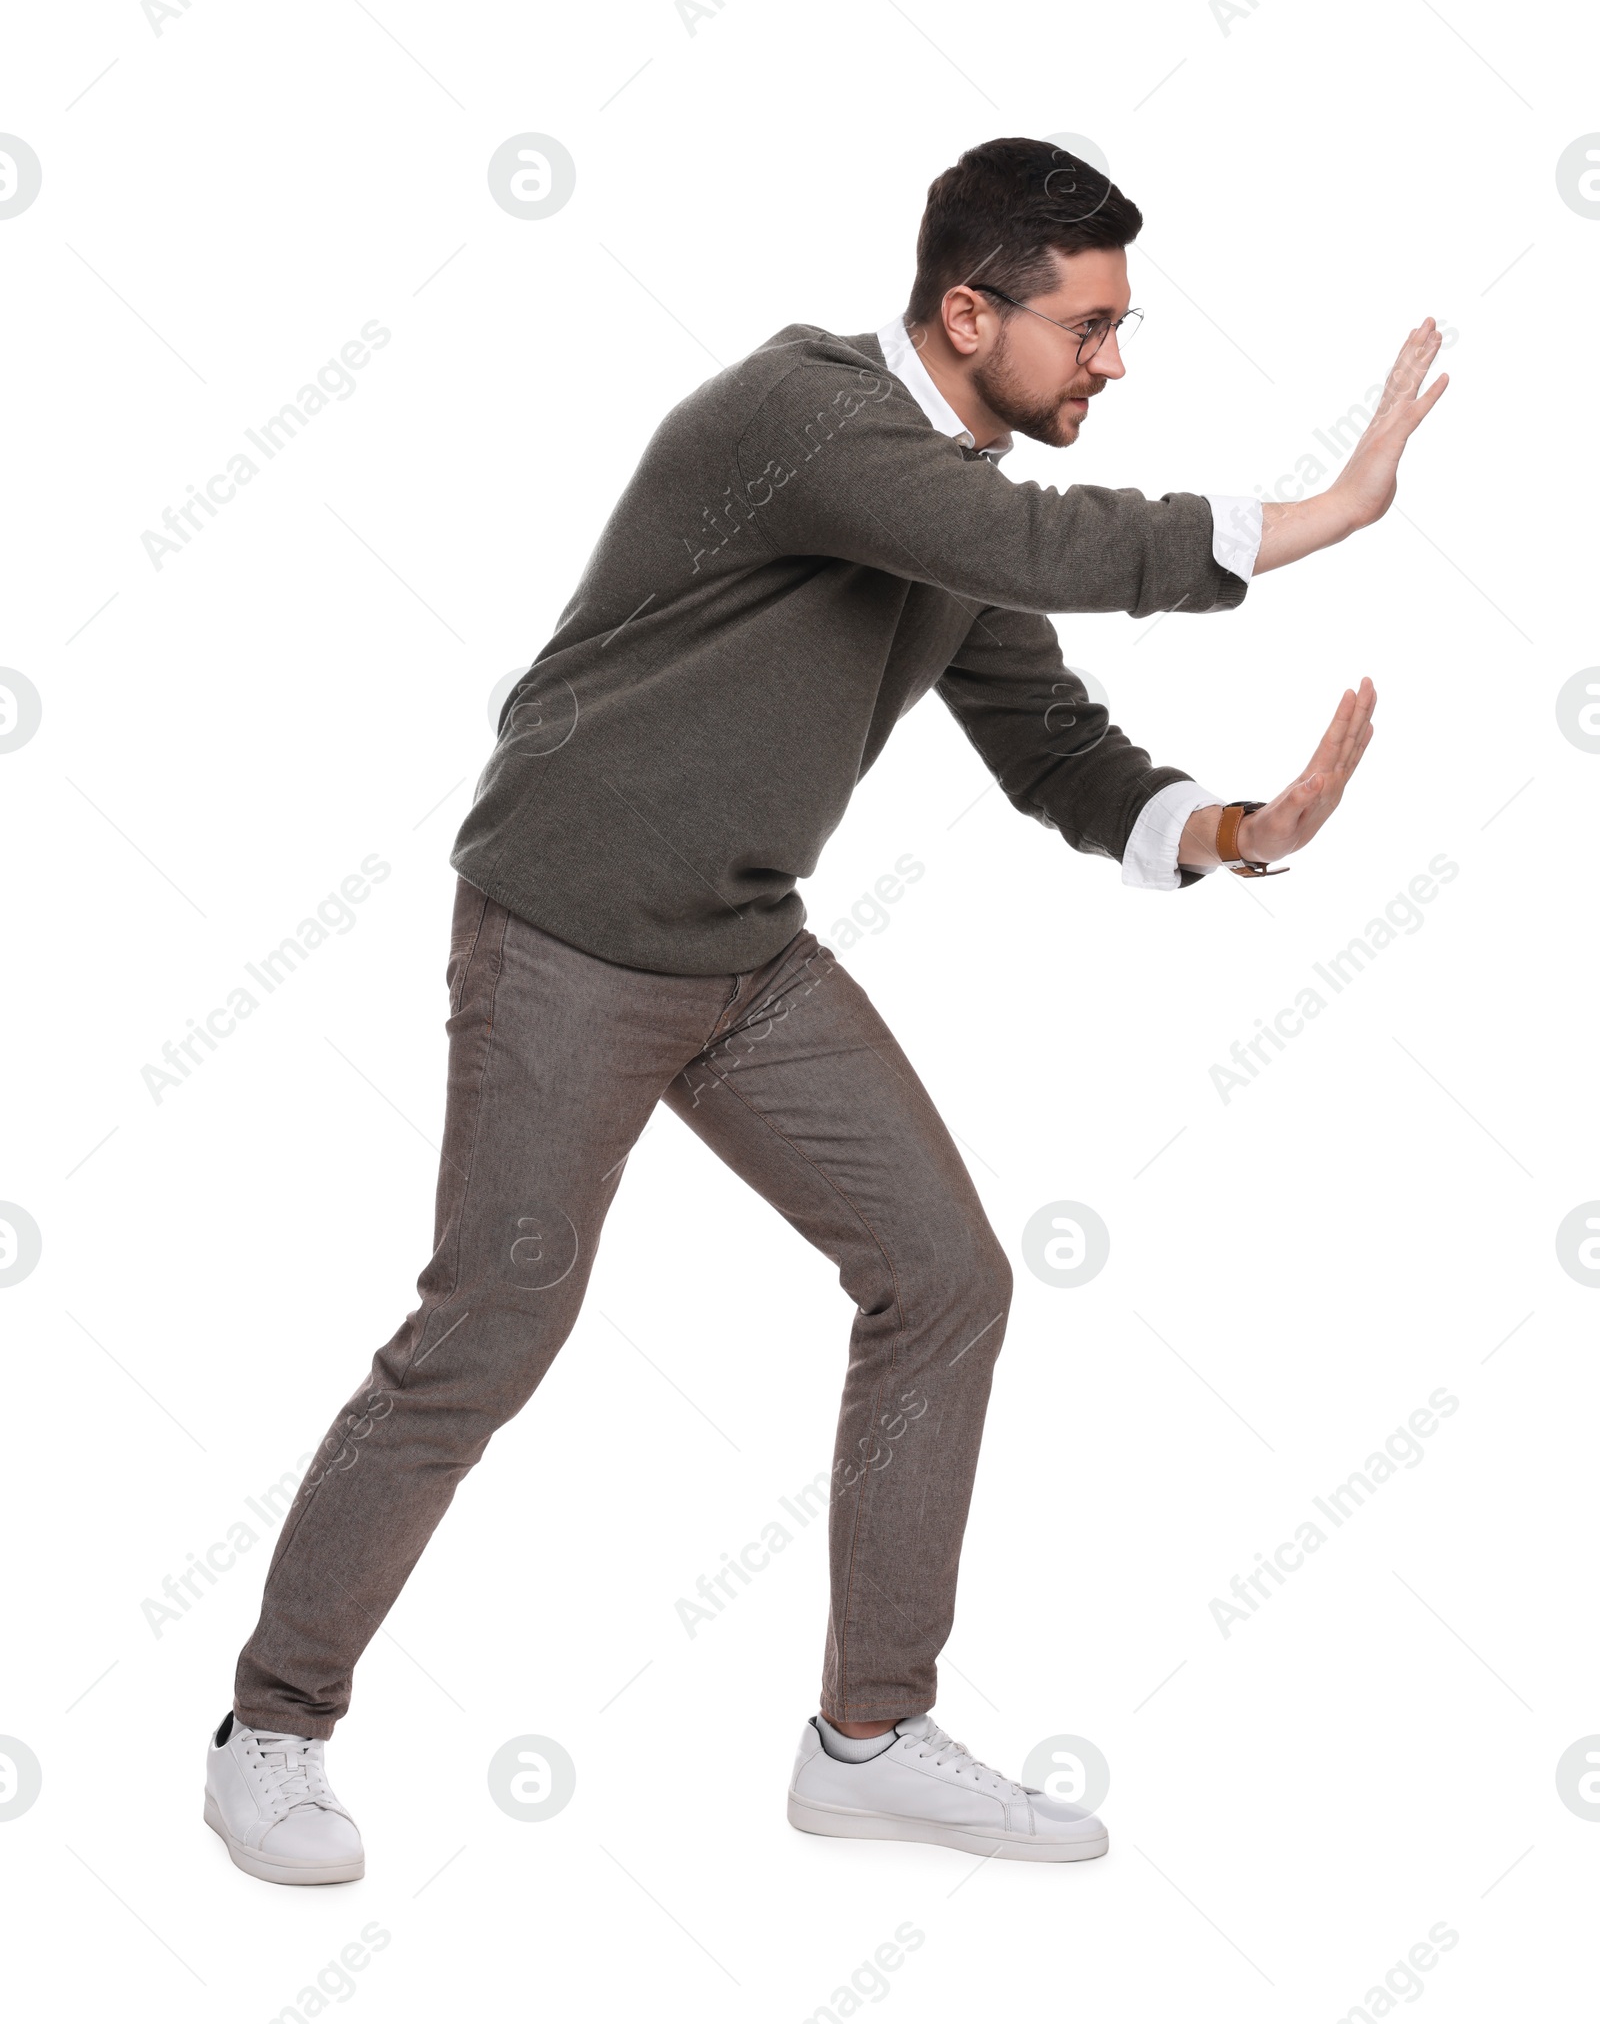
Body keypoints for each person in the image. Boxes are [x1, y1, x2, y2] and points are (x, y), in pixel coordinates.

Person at [204, 136, 1445, 1882]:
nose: (1112, 364)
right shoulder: (802, 418)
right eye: (1086, 329)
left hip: (742, 949)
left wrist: (1242, 831)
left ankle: (867, 1735)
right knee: (494, 1329)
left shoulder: (951, 508)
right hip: (564, 935)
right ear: (966, 309)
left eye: (1121, 327)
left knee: (944, 1277)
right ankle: (273, 1728)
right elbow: (1050, 544)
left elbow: (1056, 747)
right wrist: (1323, 512)